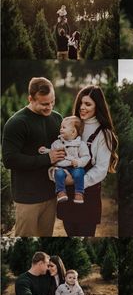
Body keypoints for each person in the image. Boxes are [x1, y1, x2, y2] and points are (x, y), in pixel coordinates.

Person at [2, 77, 65, 237]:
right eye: (44, 104)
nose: (49, 107)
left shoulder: (57, 118)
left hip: (51, 195)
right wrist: (47, 158)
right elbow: (9, 159)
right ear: (30, 99)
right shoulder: (16, 123)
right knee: (26, 240)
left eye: (52, 102)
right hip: (27, 198)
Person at [57, 85, 118, 236]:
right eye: (80, 104)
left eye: (88, 104)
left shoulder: (104, 133)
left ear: (98, 106)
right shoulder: (71, 126)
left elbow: (101, 169)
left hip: (87, 194)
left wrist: (76, 181)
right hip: (67, 193)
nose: (82, 108)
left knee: (84, 235)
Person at [46, 116, 90, 204]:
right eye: (61, 127)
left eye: (64, 127)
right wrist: (45, 151)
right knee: (58, 173)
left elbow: (86, 157)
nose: (61, 129)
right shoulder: (57, 143)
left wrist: (78, 162)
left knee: (79, 173)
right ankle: (61, 192)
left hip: (74, 167)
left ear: (73, 132)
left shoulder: (80, 144)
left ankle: (79, 193)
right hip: (61, 167)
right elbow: (52, 152)